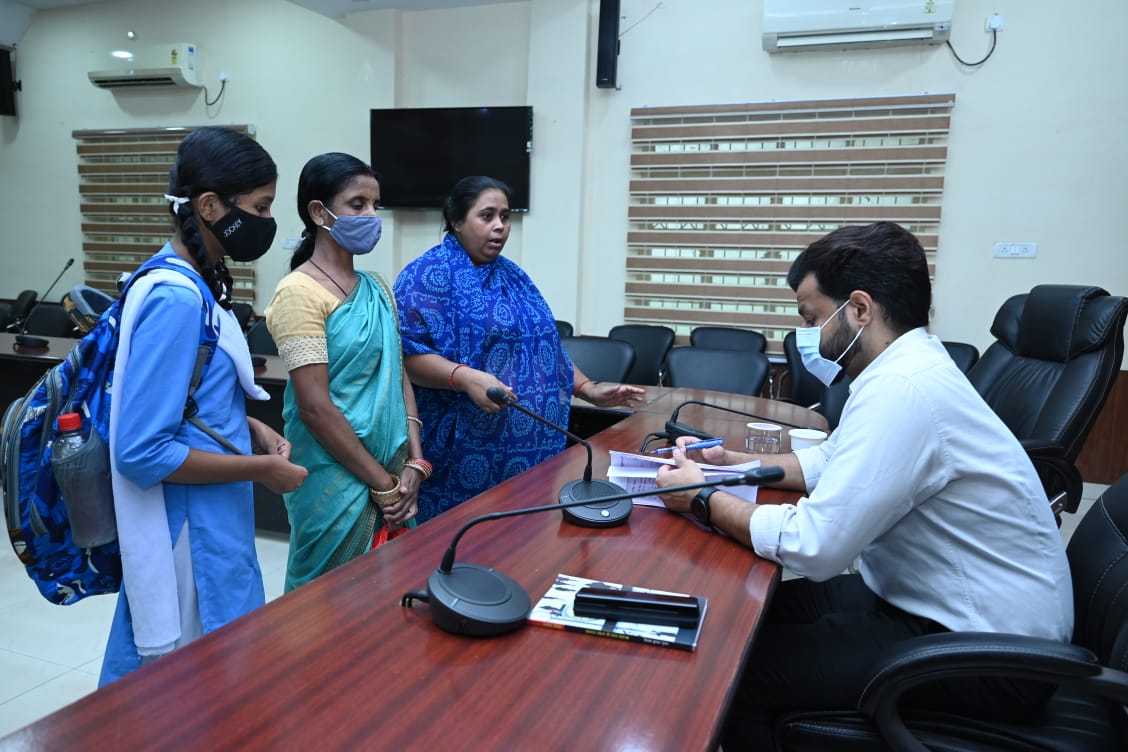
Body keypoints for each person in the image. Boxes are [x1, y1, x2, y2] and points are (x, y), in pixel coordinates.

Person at [653, 221, 1073, 747]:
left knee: (735, 671)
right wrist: (728, 464)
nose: (807, 334)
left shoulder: (904, 388)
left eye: (812, 318)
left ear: (858, 309)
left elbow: (816, 546)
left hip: (987, 652)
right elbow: (831, 460)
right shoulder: (904, 368)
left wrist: (702, 498)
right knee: (743, 616)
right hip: (933, 603)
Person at [101, 128, 308, 686]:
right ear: (210, 206)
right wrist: (261, 469)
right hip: (190, 539)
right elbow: (141, 451)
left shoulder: (195, 282)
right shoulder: (175, 298)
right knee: (188, 698)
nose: (267, 222)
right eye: (260, 207)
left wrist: (246, 426)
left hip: (213, 521)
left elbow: (184, 402)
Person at [393, 176, 645, 522]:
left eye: (505, 216)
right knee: (460, 540)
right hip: (461, 452)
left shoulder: (513, 276)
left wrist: (588, 389)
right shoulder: (425, 276)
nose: (500, 226)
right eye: (487, 216)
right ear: (456, 221)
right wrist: (464, 377)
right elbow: (407, 356)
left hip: (526, 452)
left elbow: (542, 349)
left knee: (519, 542)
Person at [264, 153, 424, 592]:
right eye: (358, 204)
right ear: (319, 213)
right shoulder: (298, 293)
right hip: (332, 479)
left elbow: (398, 377)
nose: (372, 216)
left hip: (394, 470)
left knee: (389, 599)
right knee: (327, 602)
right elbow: (315, 408)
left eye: (375, 205)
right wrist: (384, 485)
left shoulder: (377, 287)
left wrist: (415, 461)